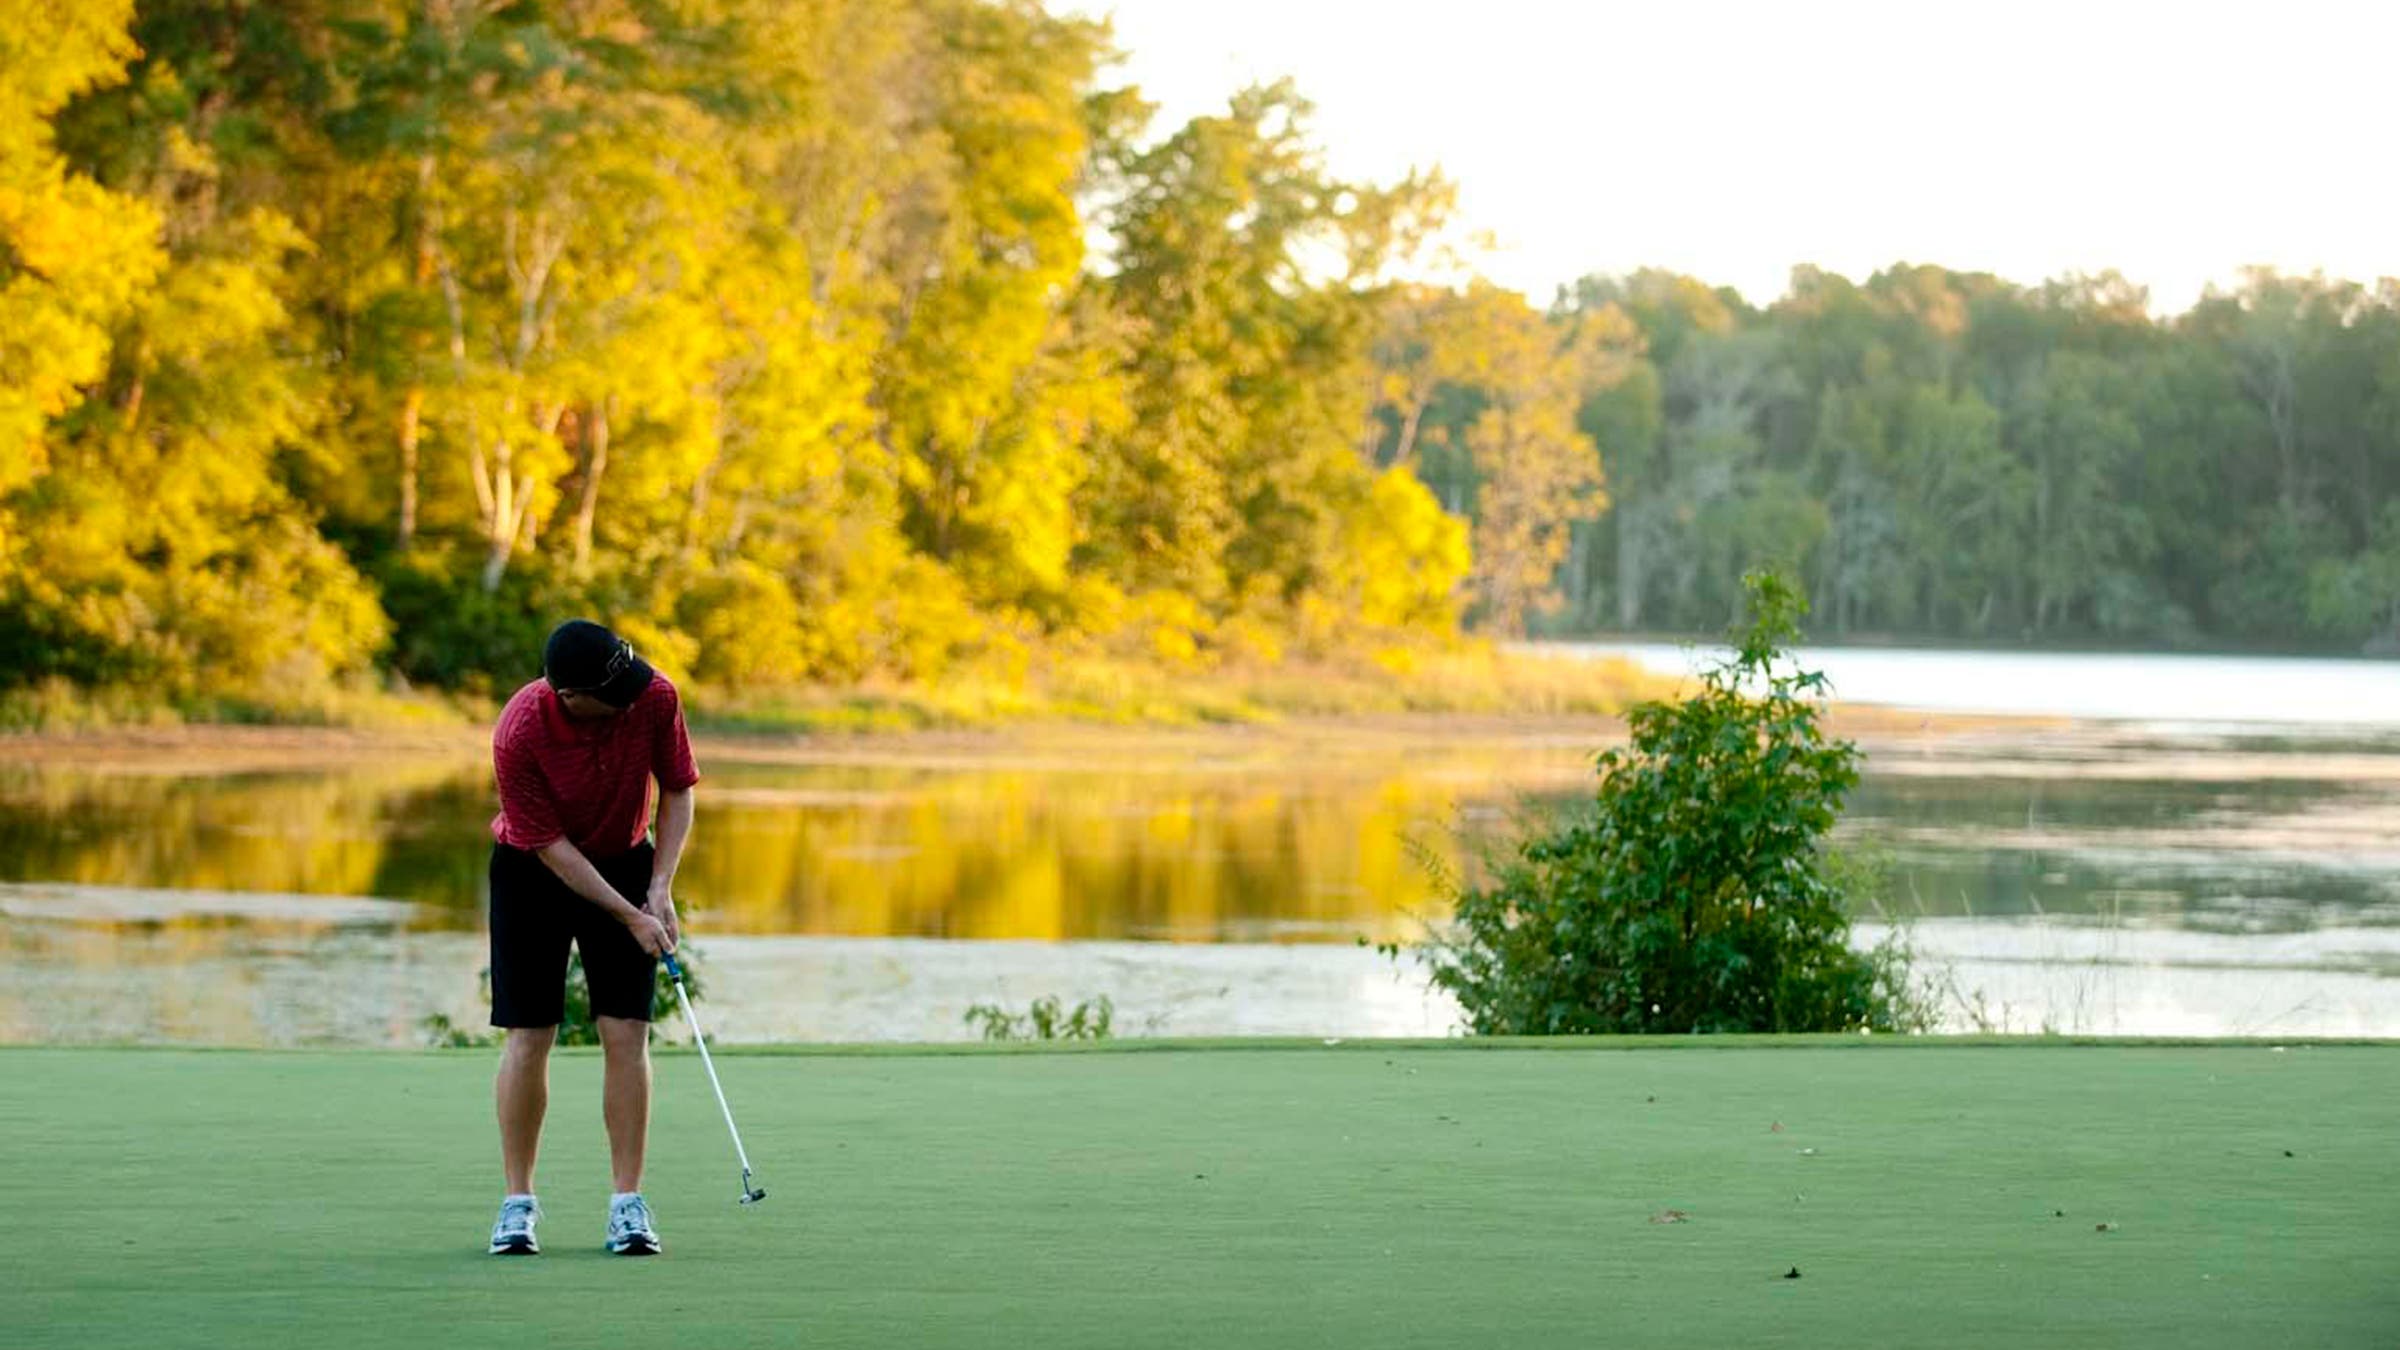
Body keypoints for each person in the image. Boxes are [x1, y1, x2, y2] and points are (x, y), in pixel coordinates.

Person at [483, 619, 700, 1257]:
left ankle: (626, 1204)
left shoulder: (654, 695)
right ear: (569, 695)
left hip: (627, 858)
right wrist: (629, 916)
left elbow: (679, 790)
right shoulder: (519, 729)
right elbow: (549, 847)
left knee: (627, 1031)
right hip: (534, 871)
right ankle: (517, 1204)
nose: (631, 698)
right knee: (530, 1034)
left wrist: (659, 888)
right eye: (614, 693)